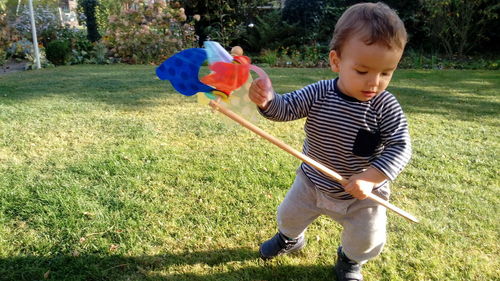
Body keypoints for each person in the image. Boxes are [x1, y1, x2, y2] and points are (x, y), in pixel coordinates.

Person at [248, 2, 412, 281]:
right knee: (289, 215)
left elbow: (400, 145)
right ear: (336, 61)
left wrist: (371, 178)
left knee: (367, 237)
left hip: (362, 194)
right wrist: (267, 101)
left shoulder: (385, 106)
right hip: (313, 181)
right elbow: (286, 108)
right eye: (362, 71)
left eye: (386, 72)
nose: (374, 82)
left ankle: (349, 260)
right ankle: (290, 239)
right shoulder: (320, 93)